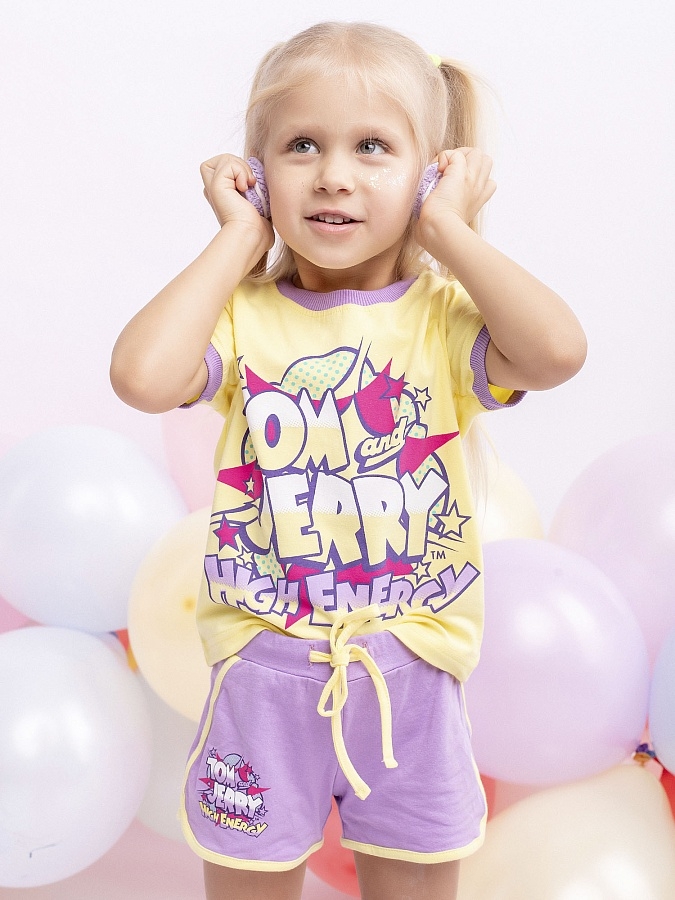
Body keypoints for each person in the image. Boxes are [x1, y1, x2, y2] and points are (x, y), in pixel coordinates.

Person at [110, 20, 586, 900]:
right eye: (301, 145)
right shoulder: (241, 316)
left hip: (409, 675)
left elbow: (557, 352)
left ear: (428, 172)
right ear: (257, 172)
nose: (333, 174)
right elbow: (141, 377)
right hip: (261, 677)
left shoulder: (444, 319)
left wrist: (446, 227)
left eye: (372, 147)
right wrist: (238, 238)